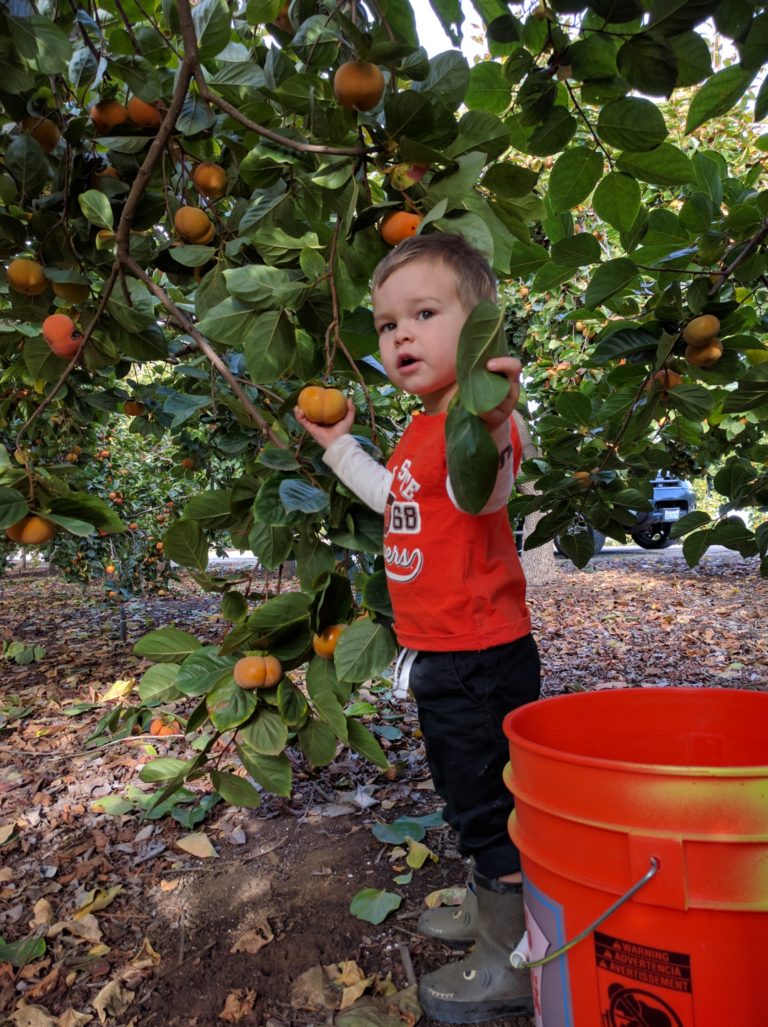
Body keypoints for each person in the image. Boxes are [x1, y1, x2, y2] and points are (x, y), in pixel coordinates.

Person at [295, 232, 541, 1024]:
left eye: (424, 314)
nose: (399, 334)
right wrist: (339, 448)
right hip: (443, 655)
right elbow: (392, 498)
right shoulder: (422, 428)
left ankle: (511, 958)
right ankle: (489, 907)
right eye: (387, 322)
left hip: (479, 657)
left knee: (485, 803)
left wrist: (500, 421)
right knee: (467, 790)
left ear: (478, 331)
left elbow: (485, 494)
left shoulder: (476, 422)